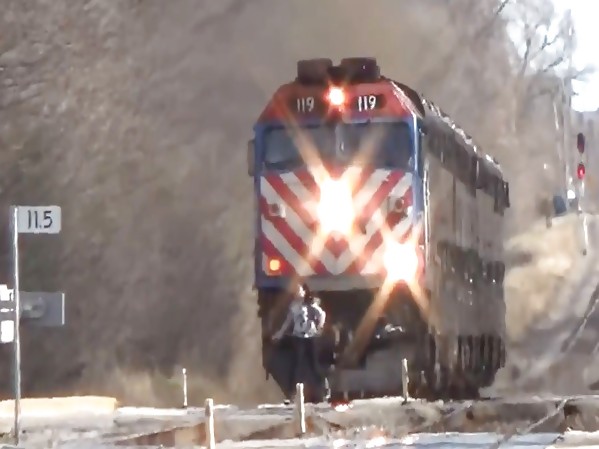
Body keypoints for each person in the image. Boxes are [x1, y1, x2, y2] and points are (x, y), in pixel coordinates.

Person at [272, 282, 326, 399]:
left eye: (299, 290)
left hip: (310, 337)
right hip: (298, 338)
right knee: (296, 365)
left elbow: (322, 314)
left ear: (304, 291)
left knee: (314, 365)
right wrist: (279, 334)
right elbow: (288, 322)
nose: (297, 292)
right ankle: (291, 392)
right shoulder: (294, 306)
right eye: (295, 290)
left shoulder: (311, 304)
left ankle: (324, 389)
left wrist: (319, 326)